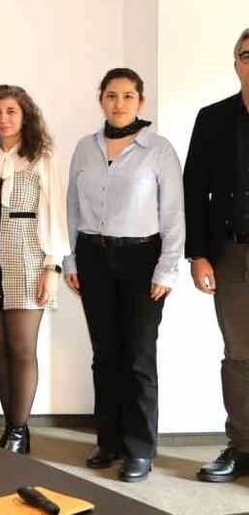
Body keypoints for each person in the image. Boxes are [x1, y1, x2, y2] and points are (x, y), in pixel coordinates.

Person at [64, 68, 183, 483]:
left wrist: (167, 268)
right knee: (104, 355)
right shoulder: (85, 148)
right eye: (111, 95)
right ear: (101, 99)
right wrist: (71, 261)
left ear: (140, 102)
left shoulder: (158, 150)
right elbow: (72, 208)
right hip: (93, 257)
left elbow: (173, 215)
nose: (119, 103)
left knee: (137, 357)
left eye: (128, 96)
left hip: (141, 260)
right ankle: (109, 440)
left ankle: (139, 448)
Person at [0, 84, 69, 454]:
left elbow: (54, 214)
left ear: (24, 116)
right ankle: (11, 427)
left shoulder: (41, 158)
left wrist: (52, 266)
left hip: (27, 262)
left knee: (21, 349)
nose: (3, 119)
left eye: (10, 111)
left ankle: (19, 430)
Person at [184, 27, 249, 483]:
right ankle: (242, 446)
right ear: (236, 62)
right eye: (247, 54)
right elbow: (194, 189)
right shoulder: (213, 119)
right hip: (231, 253)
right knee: (240, 355)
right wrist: (198, 254)